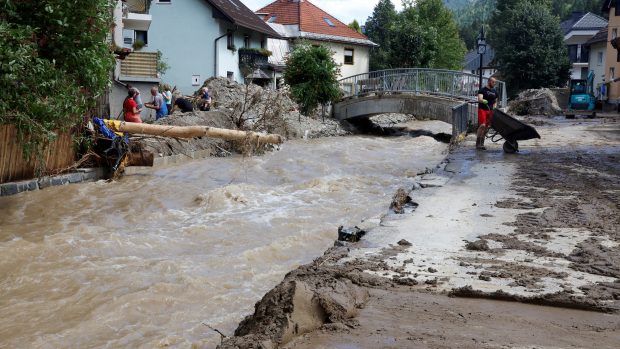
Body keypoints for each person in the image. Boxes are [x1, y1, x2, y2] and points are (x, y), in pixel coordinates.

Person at [476, 77, 497, 150]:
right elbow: (480, 98)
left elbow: (495, 101)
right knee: (482, 125)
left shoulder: (494, 91)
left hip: (490, 111)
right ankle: (478, 142)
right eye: (493, 82)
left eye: (495, 82)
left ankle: (482, 143)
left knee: (486, 127)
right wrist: (483, 100)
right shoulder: (482, 90)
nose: (494, 83)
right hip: (483, 109)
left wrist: (494, 108)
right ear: (489, 82)